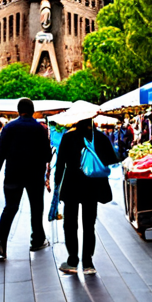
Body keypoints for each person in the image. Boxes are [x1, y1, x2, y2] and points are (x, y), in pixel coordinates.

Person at [55, 118, 118, 275]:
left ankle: (72, 261)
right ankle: (88, 263)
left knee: (70, 224)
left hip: (71, 186)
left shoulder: (68, 137)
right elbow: (112, 159)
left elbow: (60, 162)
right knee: (89, 225)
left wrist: (57, 185)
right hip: (92, 186)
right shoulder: (100, 137)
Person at [0, 98, 52, 258]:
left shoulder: (9, 128)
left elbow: (0, 152)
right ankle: (37, 240)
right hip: (34, 175)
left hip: (13, 174)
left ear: (18, 111)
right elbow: (47, 155)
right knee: (36, 207)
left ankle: (0, 240)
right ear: (32, 111)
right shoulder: (40, 129)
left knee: (10, 207)